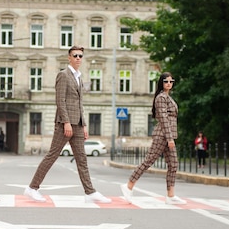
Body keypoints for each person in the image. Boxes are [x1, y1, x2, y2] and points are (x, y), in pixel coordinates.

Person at [24, 46, 111, 204]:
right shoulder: (63, 75)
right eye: (75, 55)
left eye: (81, 56)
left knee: (82, 159)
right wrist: (66, 122)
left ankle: (90, 192)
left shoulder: (79, 77)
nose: (78, 58)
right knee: (52, 155)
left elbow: (79, 103)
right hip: (65, 124)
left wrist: (83, 124)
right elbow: (60, 100)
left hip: (77, 123)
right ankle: (32, 188)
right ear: (69, 57)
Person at [120, 72, 186, 205]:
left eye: (171, 81)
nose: (169, 83)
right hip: (162, 136)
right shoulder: (161, 98)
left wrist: (171, 137)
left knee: (173, 164)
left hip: (168, 136)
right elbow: (163, 119)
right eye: (166, 81)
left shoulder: (168, 97)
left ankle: (170, 195)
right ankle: (128, 186)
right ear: (161, 83)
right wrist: (169, 138)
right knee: (148, 161)